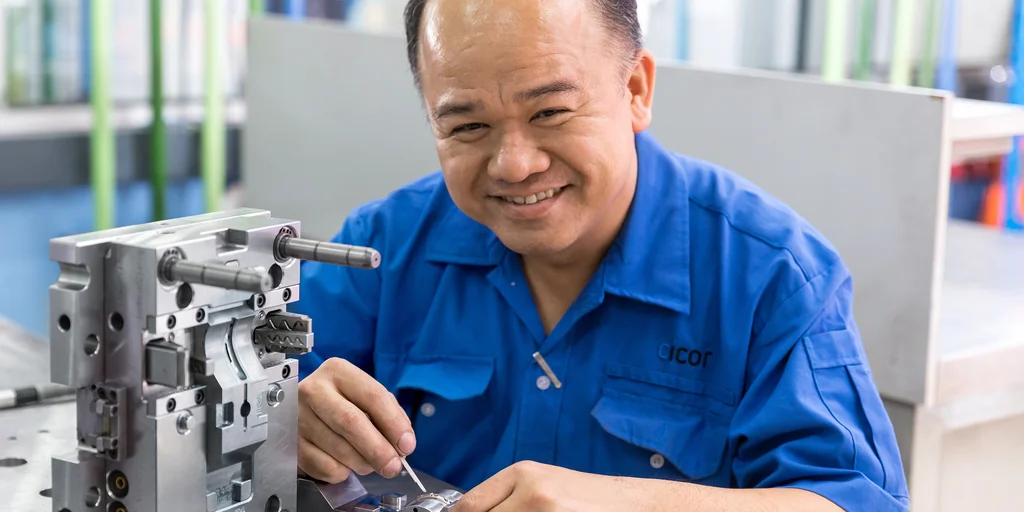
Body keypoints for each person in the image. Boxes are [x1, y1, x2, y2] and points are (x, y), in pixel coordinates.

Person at [292, 0, 911, 510]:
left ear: (636, 89)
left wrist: (627, 503)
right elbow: (271, 391)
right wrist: (284, 416)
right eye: (467, 127)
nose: (515, 164)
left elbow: (855, 499)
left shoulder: (772, 276)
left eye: (551, 112)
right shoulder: (384, 248)